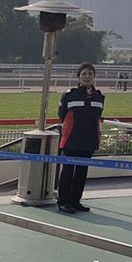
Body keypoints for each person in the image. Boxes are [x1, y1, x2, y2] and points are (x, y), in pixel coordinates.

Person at [57, 63, 104, 214]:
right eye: (84, 74)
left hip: (89, 141)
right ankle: (63, 201)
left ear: (94, 76)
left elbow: (97, 117)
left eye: (90, 73)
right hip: (72, 140)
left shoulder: (99, 96)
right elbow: (62, 115)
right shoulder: (69, 94)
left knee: (82, 173)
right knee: (68, 172)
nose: (87, 76)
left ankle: (75, 201)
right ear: (79, 77)